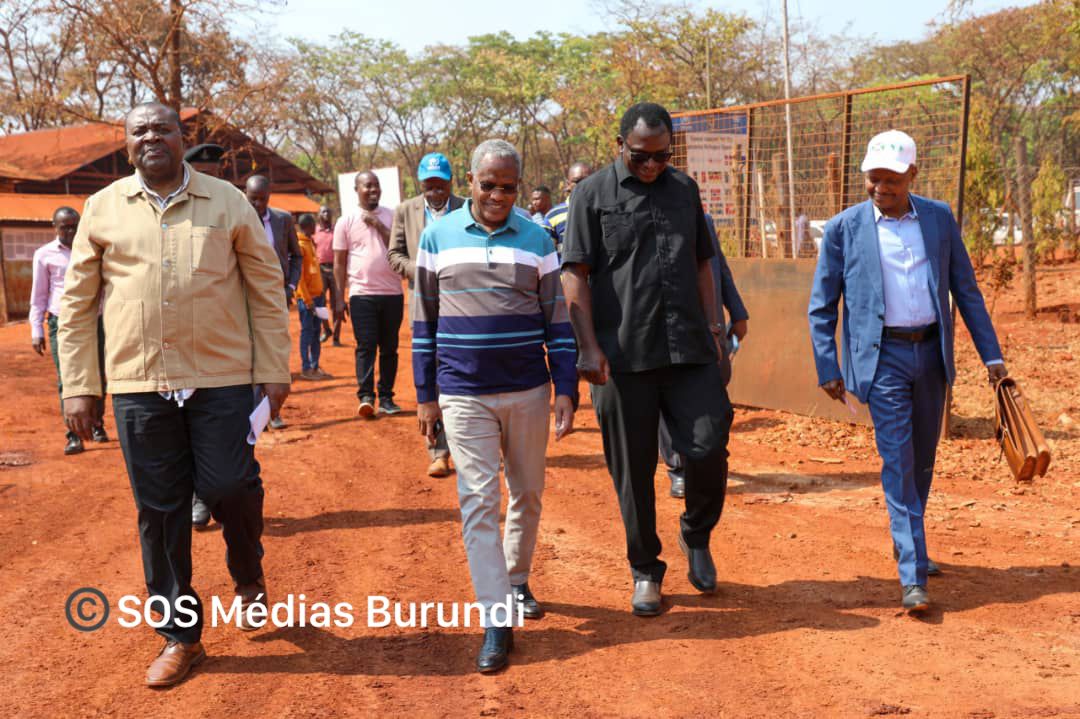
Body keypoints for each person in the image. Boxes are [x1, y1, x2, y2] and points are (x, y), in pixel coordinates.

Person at [59, 101, 291, 687]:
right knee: (160, 513)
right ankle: (179, 636)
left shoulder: (227, 200)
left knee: (228, 486)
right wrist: (81, 386)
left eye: (161, 128)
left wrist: (275, 368)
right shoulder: (101, 208)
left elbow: (265, 286)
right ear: (127, 143)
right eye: (139, 131)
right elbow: (78, 303)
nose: (150, 138)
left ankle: (248, 571)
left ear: (180, 137)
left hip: (222, 378)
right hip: (139, 383)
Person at [808, 129, 1008, 614]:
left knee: (922, 460)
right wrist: (828, 365)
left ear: (912, 175)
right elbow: (822, 306)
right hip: (883, 361)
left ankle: (909, 540)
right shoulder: (843, 229)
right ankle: (912, 574)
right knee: (897, 462)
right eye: (873, 179)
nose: (881, 188)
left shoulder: (938, 219)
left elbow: (967, 292)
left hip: (931, 357)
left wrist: (993, 358)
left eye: (891, 180)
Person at [562, 102, 733, 617]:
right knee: (632, 473)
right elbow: (575, 273)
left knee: (708, 444)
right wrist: (588, 347)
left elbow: (705, 261)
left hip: (688, 347)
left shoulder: (684, 189)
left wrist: (715, 327)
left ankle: (696, 533)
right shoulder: (591, 195)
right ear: (621, 145)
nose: (653, 166)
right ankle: (645, 570)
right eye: (642, 157)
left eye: (662, 156)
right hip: (621, 356)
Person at [414, 139, 577, 673]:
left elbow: (557, 318)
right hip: (463, 393)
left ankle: (515, 577)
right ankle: (496, 618)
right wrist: (425, 396)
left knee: (526, 493)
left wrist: (567, 388)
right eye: (489, 185)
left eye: (508, 186)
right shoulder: (437, 236)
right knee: (479, 502)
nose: (498, 195)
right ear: (471, 179)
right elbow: (425, 323)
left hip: (528, 390)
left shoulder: (538, 238)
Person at [387, 152, 465, 477]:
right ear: (420, 185)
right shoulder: (405, 211)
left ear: (451, 182)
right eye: (429, 187)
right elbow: (394, 254)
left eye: (440, 186)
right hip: (423, 300)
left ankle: (465, 445)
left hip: (462, 302)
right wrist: (420, 271)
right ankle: (438, 451)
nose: (435, 193)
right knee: (429, 366)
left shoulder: (466, 207)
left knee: (459, 368)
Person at [660, 211, 748, 498]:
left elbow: (718, 268)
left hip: (708, 329)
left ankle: (703, 462)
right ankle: (679, 469)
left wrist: (738, 312)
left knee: (713, 397)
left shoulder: (704, 221)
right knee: (667, 399)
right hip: (666, 330)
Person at [29, 206, 108, 455]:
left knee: (99, 375)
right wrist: (36, 329)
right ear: (55, 227)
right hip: (61, 323)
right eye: (65, 226)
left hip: (95, 320)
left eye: (74, 225)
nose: (70, 231)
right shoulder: (44, 255)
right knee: (68, 378)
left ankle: (96, 424)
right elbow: (39, 295)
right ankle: (73, 435)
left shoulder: (92, 251)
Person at [333, 171, 403, 417]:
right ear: (357, 189)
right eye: (368, 186)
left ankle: (386, 397)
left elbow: (397, 247)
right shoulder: (346, 221)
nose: (373, 190)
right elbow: (339, 263)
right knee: (365, 346)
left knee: (389, 347)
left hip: (393, 292)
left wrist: (378, 225)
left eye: (376, 185)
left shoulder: (392, 216)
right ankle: (365, 397)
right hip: (362, 294)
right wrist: (339, 299)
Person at [244, 174, 301, 429]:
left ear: (269, 197)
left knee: (275, 352)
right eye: (252, 199)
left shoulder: (283, 219)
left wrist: (290, 286)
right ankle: (254, 413)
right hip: (245, 297)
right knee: (249, 354)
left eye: (262, 199)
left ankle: (272, 410)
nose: (257, 205)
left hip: (276, 296)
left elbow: (296, 256)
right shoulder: (238, 218)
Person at [296, 213, 331, 381]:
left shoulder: (310, 243)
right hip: (307, 300)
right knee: (307, 332)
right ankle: (306, 368)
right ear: (308, 226)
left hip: (318, 297)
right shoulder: (300, 246)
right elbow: (299, 278)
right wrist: (307, 299)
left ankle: (315, 366)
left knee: (316, 332)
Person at [541, 162, 593, 256]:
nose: (582, 185)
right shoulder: (553, 216)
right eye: (577, 181)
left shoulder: (603, 212)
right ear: (568, 184)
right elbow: (545, 255)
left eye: (588, 180)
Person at [313, 204, 343, 346]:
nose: (326, 214)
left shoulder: (337, 231)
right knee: (320, 302)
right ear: (319, 215)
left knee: (337, 304)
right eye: (323, 212)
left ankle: (336, 337)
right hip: (320, 270)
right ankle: (326, 329)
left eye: (328, 211)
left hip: (336, 270)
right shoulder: (314, 232)